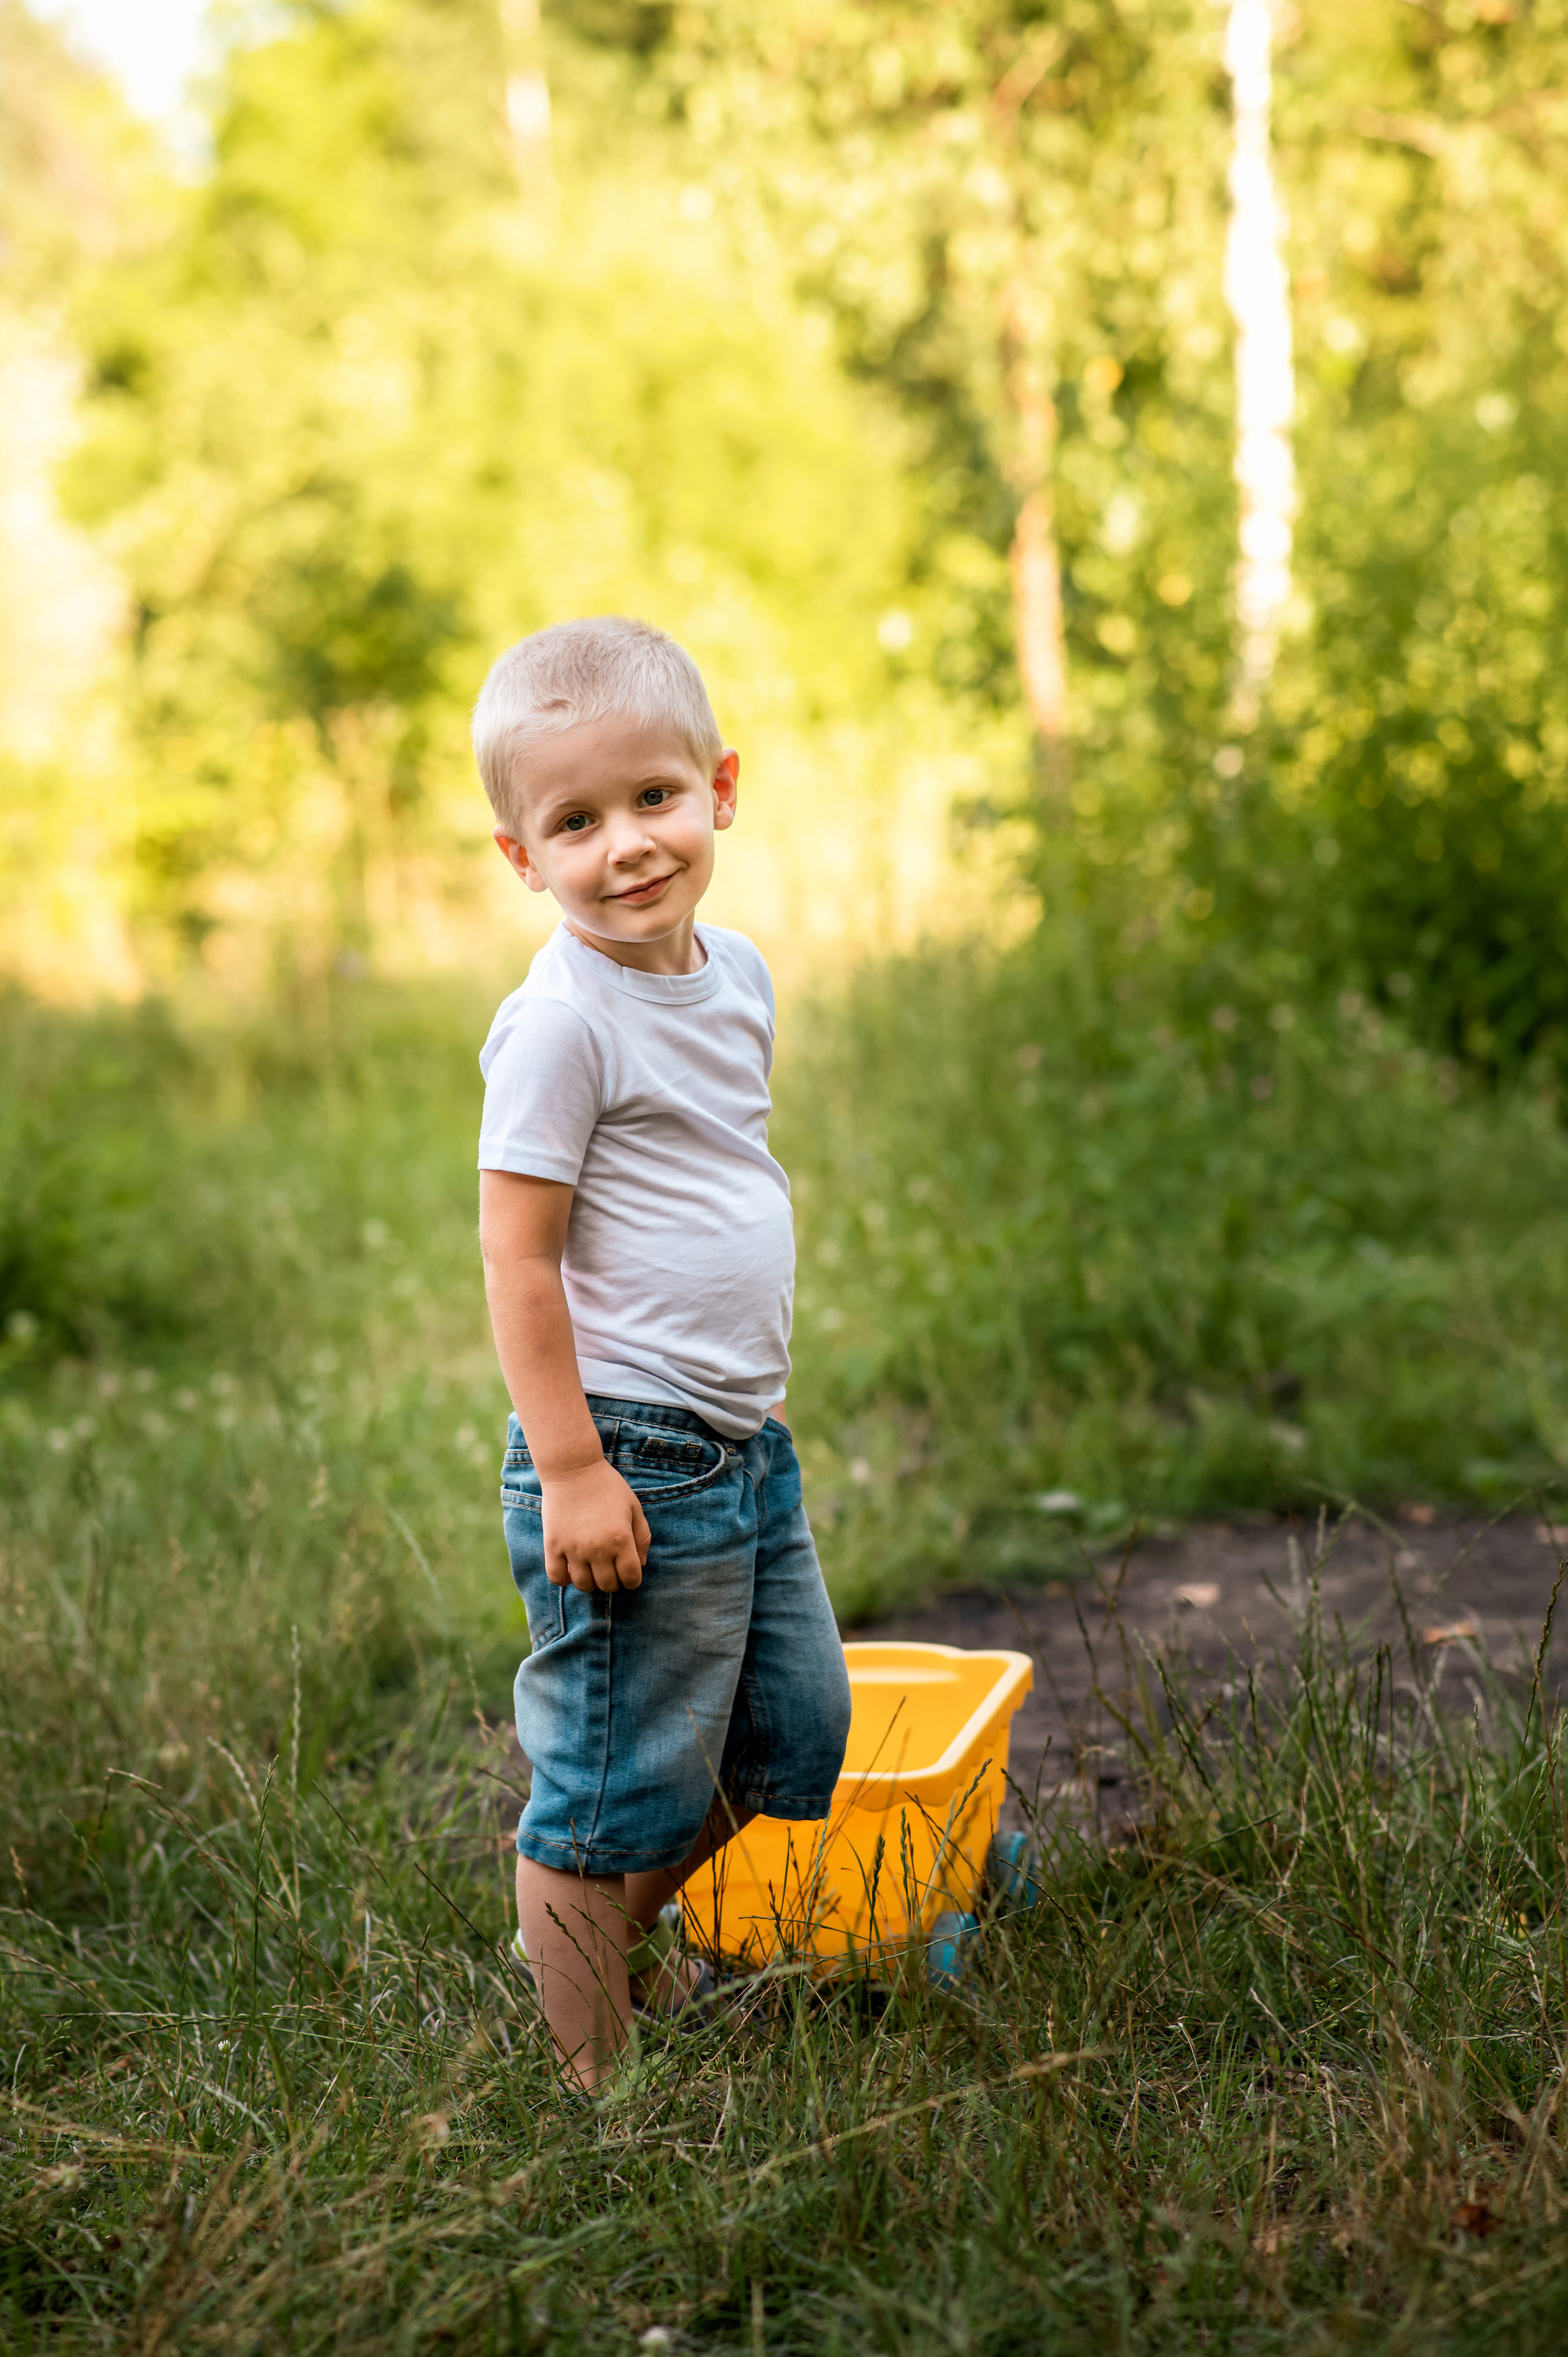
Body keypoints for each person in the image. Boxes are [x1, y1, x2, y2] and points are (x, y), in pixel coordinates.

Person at [472, 616, 852, 2092]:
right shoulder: (561, 1021)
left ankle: (605, 1953)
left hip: (738, 1441)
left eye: (652, 799)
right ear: (522, 857)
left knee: (790, 1735)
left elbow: (706, 1175)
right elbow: (519, 1253)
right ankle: (595, 2087)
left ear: (721, 789)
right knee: (612, 1783)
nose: (624, 845)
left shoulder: (737, 972)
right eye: (574, 822)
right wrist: (569, 1463)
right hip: (625, 1449)